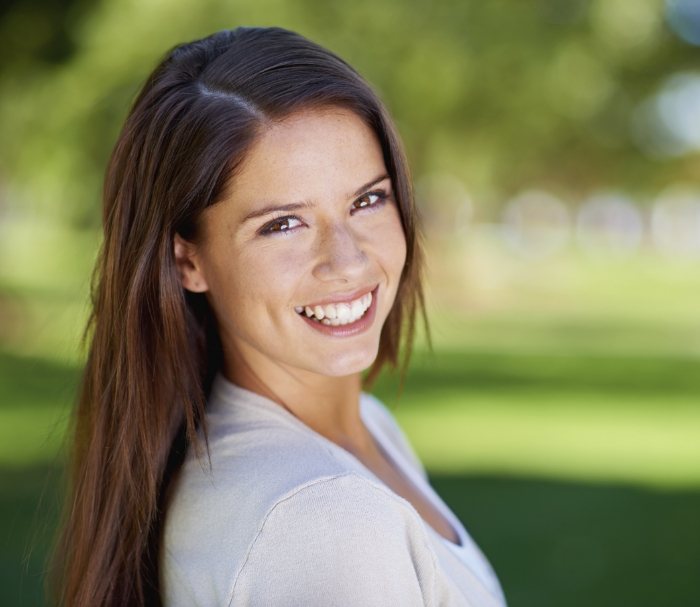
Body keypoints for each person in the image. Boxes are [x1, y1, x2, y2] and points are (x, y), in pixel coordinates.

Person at [51, 26, 507, 607]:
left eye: (367, 200)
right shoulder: (326, 521)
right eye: (283, 224)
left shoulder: (364, 431)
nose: (346, 262)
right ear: (188, 261)